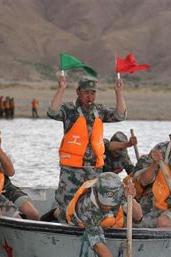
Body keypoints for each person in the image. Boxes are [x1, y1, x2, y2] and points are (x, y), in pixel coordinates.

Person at [46, 75, 127, 221]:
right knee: (66, 208)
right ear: (78, 92)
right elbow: (52, 112)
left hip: (94, 170)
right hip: (71, 170)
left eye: (93, 93)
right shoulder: (69, 109)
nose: (90, 96)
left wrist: (118, 92)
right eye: (86, 92)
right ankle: (54, 220)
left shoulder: (100, 110)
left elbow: (120, 115)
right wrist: (61, 89)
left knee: (92, 205)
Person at [66, 172, 142, 257]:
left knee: (129, 222)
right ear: (96, 193)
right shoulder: (87, 207)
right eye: (104, 203)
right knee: (61, 213)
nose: (107, 206)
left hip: (110, 222)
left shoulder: (118, 192)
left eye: (111, 203)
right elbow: (97, 243)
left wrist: (131, 199)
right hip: (83, 221)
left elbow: (138, 217)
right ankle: (55, 213)